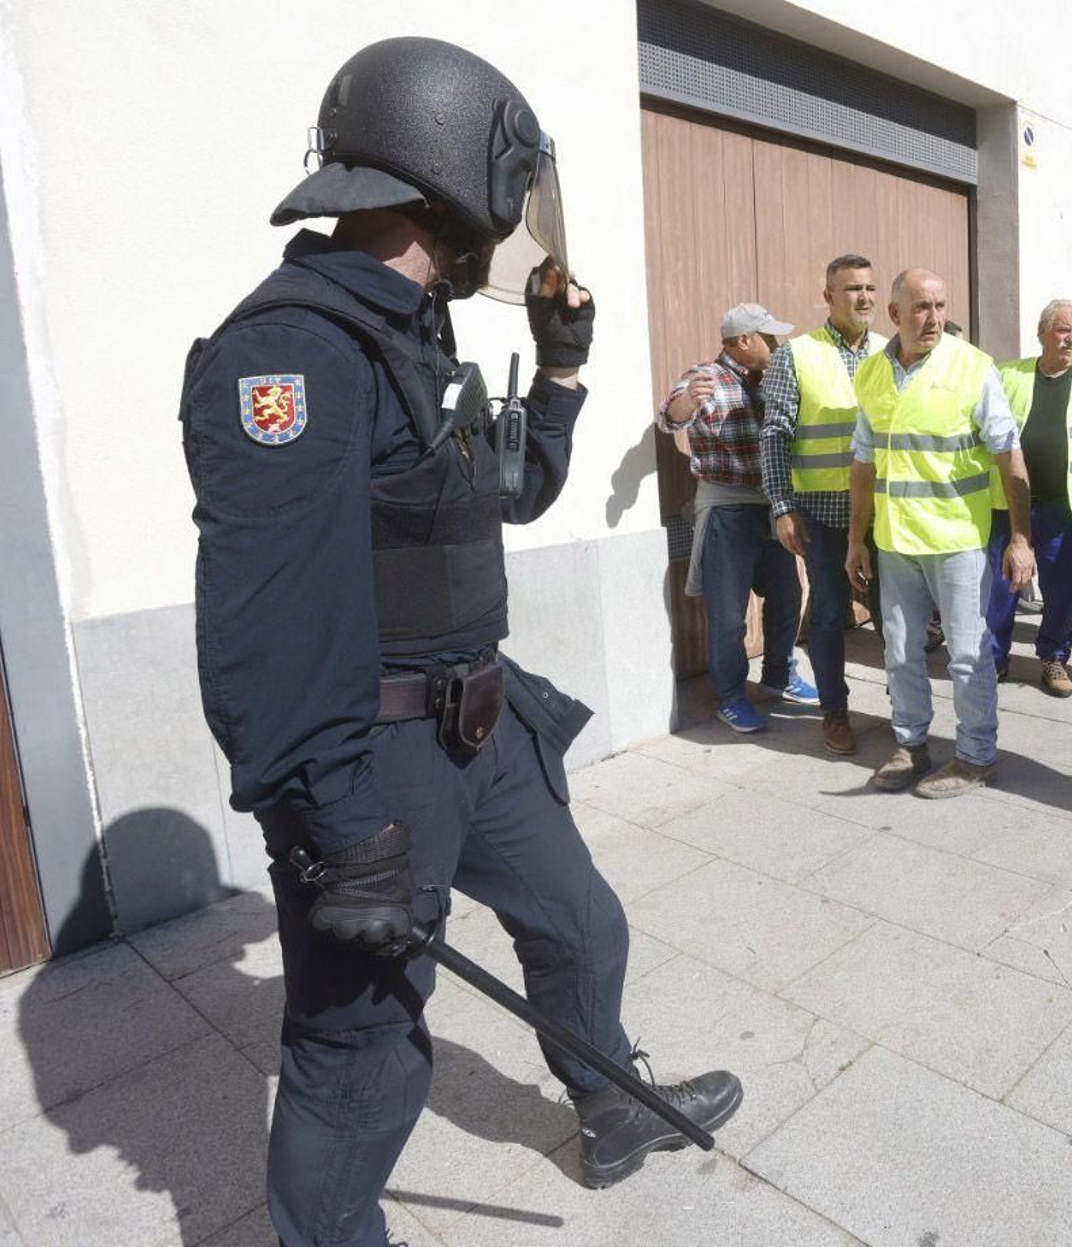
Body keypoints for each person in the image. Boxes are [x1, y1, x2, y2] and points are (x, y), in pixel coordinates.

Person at [179, 39, 742, 1241]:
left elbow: (508, 495)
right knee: (359, 1056)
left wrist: (560, 366)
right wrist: (336, 833)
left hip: (478, 731)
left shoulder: (409, 326)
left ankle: (611, 1106)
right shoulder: (293, 350)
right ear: (453, 175)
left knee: (582, 923)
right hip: (372, 763)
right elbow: (266, 628)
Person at [845, 268, 1035, 798]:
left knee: (968, 653)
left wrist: (1021, 538)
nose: (933, 318)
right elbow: (863, 461)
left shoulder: (973, 368)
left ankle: (976, 756)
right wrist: (856, 538)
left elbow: (1009, 454)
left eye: (940, 306)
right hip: (896, 541)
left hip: (957, 540)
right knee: (900, 650)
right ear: (894, 315)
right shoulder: (872, 375)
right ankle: (911, 745)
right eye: (921, 307)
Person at [659, 304, 820, 733]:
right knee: (728, 614)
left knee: (787, 593)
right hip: (728, 511)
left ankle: (778, 673)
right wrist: (686, 401)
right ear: (745, 340)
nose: (776, 344)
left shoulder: (771, 378)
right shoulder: (706, 376)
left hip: (770, 508)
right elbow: (670, 415)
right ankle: (730, 697)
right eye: (769, 337)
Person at [759, 255, 885, 755]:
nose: (865, 297)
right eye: (853, 288)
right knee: (831, 614)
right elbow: (774, 437)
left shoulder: (889, 352)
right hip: (823, 513)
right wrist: (782, 506)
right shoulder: (797, 355)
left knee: (896, 616)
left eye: (871, 287)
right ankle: (835, 710)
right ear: (829, 295)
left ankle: (908, 709)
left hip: (886, 512)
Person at [986, 300, 1072, 695]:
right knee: (1001, 589)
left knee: (1063, 591)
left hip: (1067, 507)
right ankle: (994, 660)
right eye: (1064, 330)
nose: (1071, 340)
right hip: (1008, 506)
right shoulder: (1005, 375)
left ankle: (1054, 658)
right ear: (1042, 332)